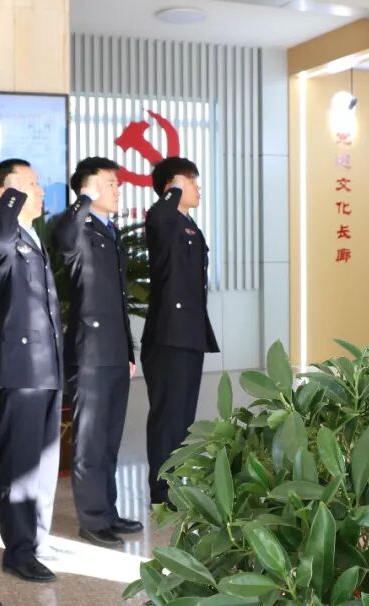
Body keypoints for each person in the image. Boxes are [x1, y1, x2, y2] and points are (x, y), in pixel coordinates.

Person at [0, 159, 63, 581]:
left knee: (44, 462)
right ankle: (18, 551)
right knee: (22, 464)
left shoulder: (32, 236)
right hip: (21, 366)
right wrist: (11, 201)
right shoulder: (0, 233)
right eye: (30, 183)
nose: (40, 189)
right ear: (6, 192)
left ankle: (38, 540)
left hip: (47, 365)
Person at [54, 157, 141, 548]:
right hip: (89, 352)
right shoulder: (79, 228)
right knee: (89, 441)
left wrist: (129, 350)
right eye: (109, 183)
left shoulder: (109, 231)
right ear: (87, 188)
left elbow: (119, 300)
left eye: (117, 183)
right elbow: (63, 237)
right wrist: (83, 200)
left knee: (109, 439)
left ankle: (107, 511)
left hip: (114, 351)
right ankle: (91, 519)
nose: (117, 189)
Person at [141, 157, 219, 506]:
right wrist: (173, 189)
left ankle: (176, 482)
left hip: (190, 333)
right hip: (168, 335)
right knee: (168, 416)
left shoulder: (189, 225)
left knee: (184, 417)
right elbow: (159, 215)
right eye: (191, 181)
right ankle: (162, 492)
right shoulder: (162, 219)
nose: (198, 188)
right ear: (172, 185)